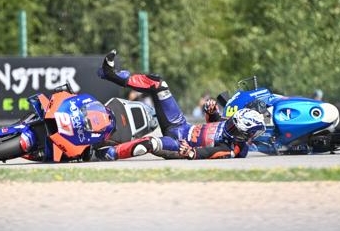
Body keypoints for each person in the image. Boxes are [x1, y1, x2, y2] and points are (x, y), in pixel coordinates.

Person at [96, 49, 266, 160]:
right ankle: (110, 74)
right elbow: (215, 122)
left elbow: (211, 153)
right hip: (180, 125)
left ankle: (112, 153)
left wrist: (192, 152)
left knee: (150, 144)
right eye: (231, 123)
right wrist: (212, 110)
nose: (229, 127)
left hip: (179, 145)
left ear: (244, 136)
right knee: (158, 84)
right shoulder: (231, 124)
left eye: (234, 129)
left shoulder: (232, 150)